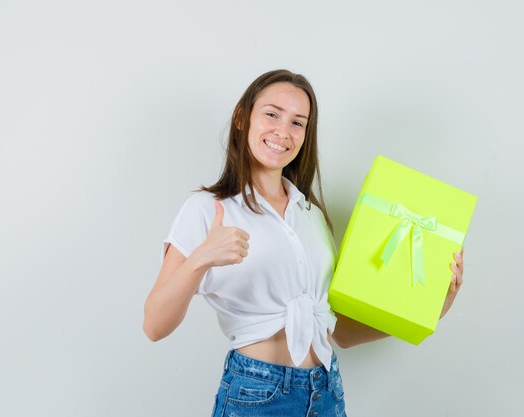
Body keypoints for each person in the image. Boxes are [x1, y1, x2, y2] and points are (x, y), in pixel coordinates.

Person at [143, 69, 465, 416]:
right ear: (241, 117)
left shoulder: (310, 215)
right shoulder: (208, 210)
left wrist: (431, 309)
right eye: (271, 114)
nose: (283, 131)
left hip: (326, 391)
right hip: (258, 393)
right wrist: (200, 259)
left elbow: (339, 331)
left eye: (298, 122)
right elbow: (154, 325)